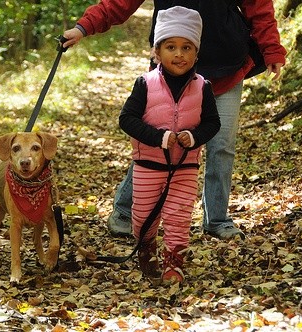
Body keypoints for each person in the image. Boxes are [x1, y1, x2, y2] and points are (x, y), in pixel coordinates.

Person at [62, 1, 287, 240]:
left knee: (222, 146)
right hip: (170, 70)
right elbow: (119, 4)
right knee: (156, 142)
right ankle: (125, 211)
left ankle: (217, 219)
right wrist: (82, 28)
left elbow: (258, 7)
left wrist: (271, 48)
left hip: (226, 67)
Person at [119, 6, 220, 282]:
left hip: (185, 166)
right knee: (142, 217)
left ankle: (173, 262)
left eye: (187, 47)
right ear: (157, 52)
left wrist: (195, 137)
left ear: (196, 53)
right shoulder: (145, 83)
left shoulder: (203, 87)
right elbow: (126, 119)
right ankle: (146, 246)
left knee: (179, 215)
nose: (179, 54)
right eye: (171, 47)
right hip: (148, 165)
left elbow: (213, 123)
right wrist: (158, 137)